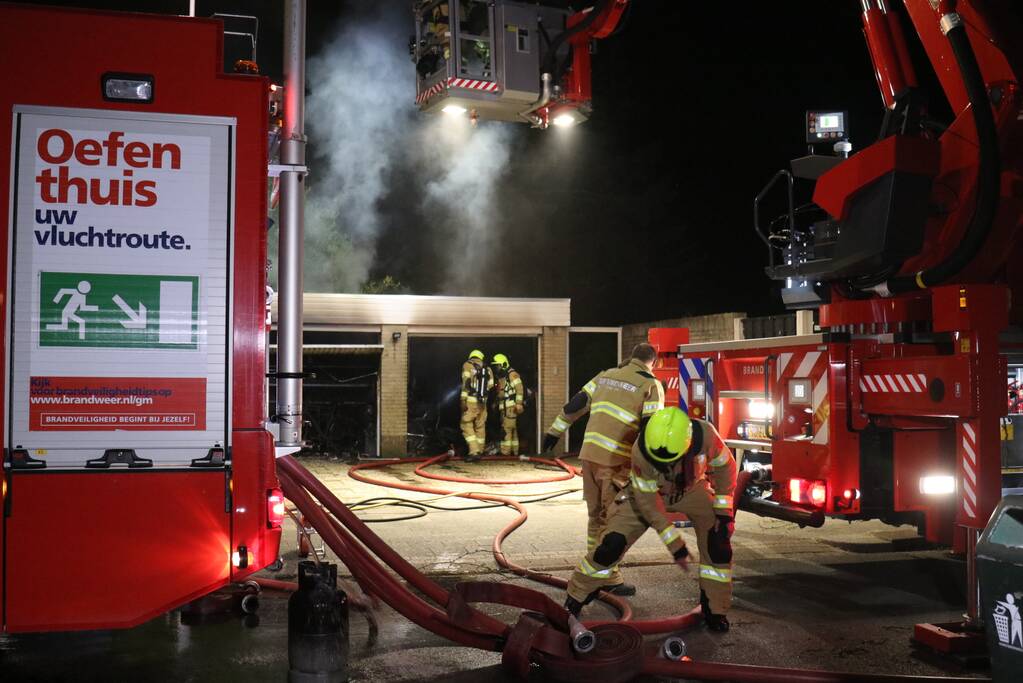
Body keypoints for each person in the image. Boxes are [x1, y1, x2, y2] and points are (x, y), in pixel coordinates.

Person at [564, 407, 738, 632]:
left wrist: (724, 515)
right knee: (610, 545)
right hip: (648, 494)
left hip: (692, 489)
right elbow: (650, 507)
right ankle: (576, 597)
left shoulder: (705, 435)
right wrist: (675, 545)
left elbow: (726, 468)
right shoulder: (641, 450)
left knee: (719, 545)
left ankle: (715, 610)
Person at [541, 343, 664, 595]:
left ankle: (593, 568)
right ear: (655, 361)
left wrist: (553, 432)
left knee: (595, 515)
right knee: (615, 521)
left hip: (589, 456)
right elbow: (651, 430)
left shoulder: (605, 375)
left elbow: (575, 404)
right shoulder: (651, 384)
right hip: (616, 462)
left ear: (632, 357)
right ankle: (606, 577)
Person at [460, 349, 493, 462]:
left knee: (466, 425)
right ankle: (480, 450)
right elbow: (491, 384)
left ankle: (474, 452)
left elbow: (466, 383)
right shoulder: (487, 368)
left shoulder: (467, 365)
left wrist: (463, 400)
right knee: (480, 426)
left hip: (470, 400)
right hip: (483, 402)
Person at [492, 353, 525, 457]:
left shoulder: (512, 375)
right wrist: (496, 402)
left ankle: (505, 453)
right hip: (506, 407)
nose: (496, 368)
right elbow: (502, 393)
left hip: (510, 408)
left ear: (504, 364)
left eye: (498, 365)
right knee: (512, 431)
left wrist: (518, 404)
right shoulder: (504, 376)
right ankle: (514, 452)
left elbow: (520, 389)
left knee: (506, 430)